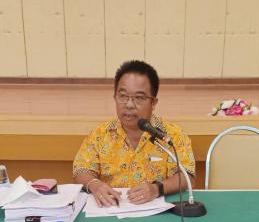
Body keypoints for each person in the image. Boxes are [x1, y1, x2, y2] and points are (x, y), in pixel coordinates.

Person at [73, 60, 195, 207]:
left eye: (139, 98)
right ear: (115, 97)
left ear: (153, 103)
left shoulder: (172, 135)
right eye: (123, 96)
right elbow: (81, 170)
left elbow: (186, 176)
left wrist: (157, 189)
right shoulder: (100, 134)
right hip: (111, 210)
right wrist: (94, 184)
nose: (129, 104)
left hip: (155, 212)